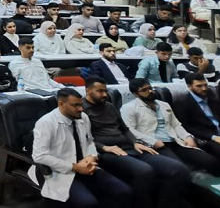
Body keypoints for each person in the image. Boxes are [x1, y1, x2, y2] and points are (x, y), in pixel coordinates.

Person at [82, 76, 191, 208]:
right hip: (109, 152)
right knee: (145, 171)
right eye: (99, 91)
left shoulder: (110, 106)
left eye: (105, 90)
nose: (104, 94)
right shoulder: (80, 109)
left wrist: (135, 142)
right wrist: (104, 147)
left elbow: (125, 129)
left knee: (178, 169)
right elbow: (83, 139)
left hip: (131, 147)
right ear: (87, 90)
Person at [31, 88, 133, 208]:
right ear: (61, 104)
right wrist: (75, 167)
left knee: (124, 191)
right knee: (88, 203)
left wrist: (92, 156)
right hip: (60, 171)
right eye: (76, 105)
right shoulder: (46, 123)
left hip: (87, 166)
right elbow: (39, 156)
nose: (81, 108)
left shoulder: (82, 117)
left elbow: (89, 141)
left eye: (81, 104)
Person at [120, 78, 220, 174]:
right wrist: (152, 141)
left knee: (210, 161)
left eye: (150, 88)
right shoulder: (128, 108)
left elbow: (176, 124)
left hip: (175, 141)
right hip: (157, 145)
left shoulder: (164, 105)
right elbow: (130, 130)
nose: (150, 91)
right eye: (144, 90)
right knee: (181, 168)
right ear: (136, 94)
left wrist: (188, 137)